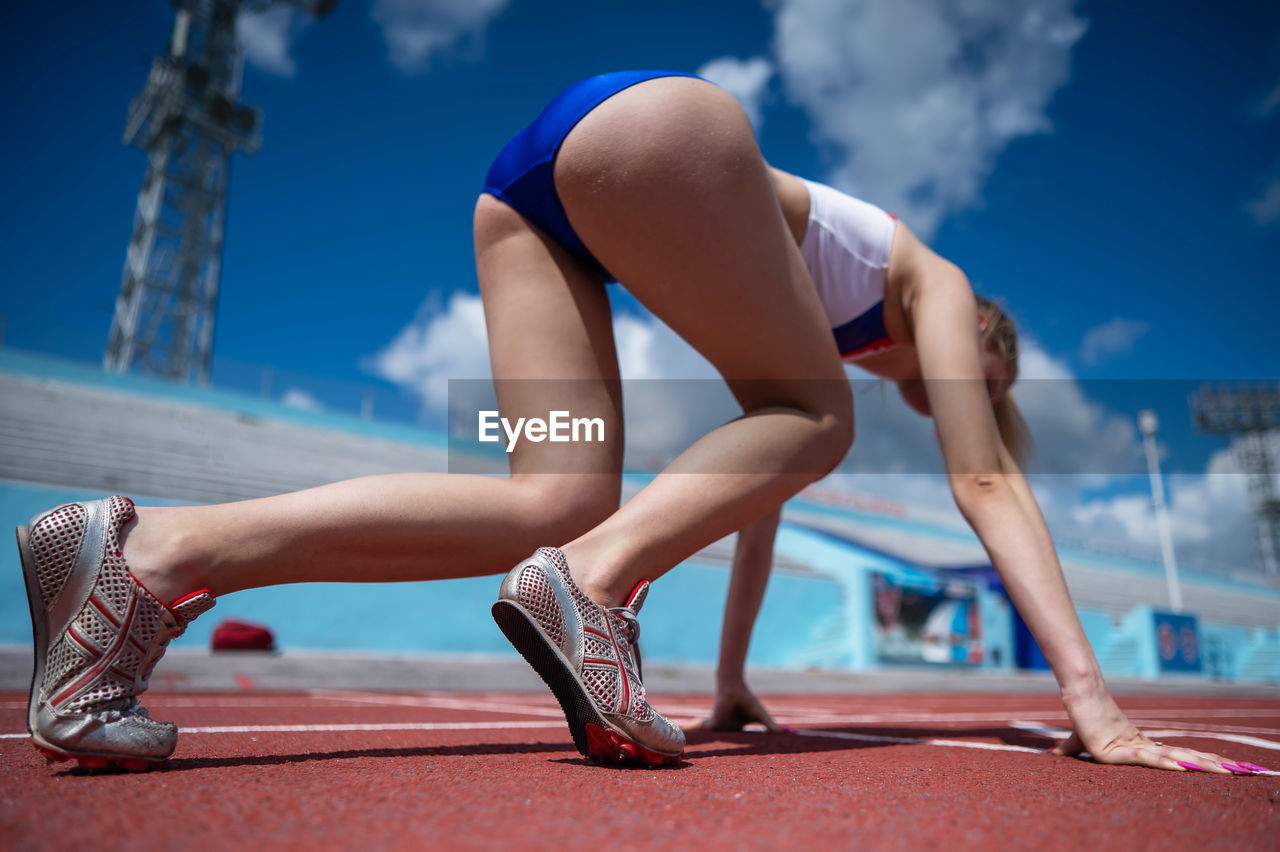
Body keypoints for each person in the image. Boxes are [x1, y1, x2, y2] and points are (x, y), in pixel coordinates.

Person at [16, 71, 1256, 775]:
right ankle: (590, 586)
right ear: (983, 354)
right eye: (963, 396)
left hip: (531, 193)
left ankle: (150, 551)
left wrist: (729, 683)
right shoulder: (930, 287)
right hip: (663, 137)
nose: (944, 411)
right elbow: (983, 488)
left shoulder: (798, 336)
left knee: (553, 496)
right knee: (804, 425)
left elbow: (750, 491)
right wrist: (1094, 709)